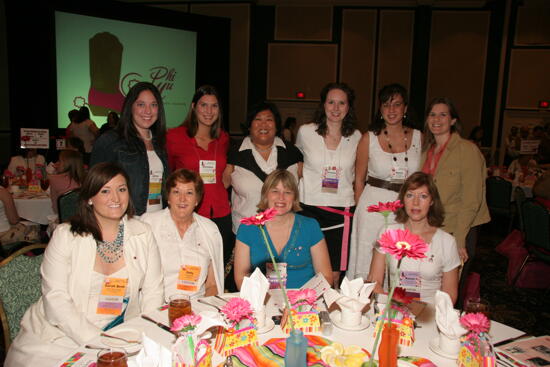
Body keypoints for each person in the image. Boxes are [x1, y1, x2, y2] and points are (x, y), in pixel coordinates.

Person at [5, 162, 164, 367]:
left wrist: (146, 332)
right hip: (61, 334)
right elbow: (56, 299)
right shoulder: (66, 236)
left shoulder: (143, 233)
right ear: (90, 197)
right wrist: (98, 341)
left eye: (121, 189)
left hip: (122, 331)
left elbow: (153, 292)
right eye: (105, 191)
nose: (115, 198)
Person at [347, 83, 421, 281]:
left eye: (397, 105)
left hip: (406, 206)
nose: (391, 110)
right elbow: (359, 180)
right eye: (386, 105)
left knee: (400, 257)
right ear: (380, 109)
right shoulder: (368, 138)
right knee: (368, 255)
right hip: (373, 206)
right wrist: (361, 211)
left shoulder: (419, 137)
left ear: (405, 108)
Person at [420, 97, 490, 305]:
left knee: (449, 294)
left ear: (452, 121)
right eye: (432, 114)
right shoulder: (426, 151)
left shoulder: (467, 151)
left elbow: (471, 200)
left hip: (456, 230)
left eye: (443, 114)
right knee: (428, 286)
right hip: (431, 228)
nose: (437, 119)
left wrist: (460, 239)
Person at [295, 82, 362, 287]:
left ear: (348, 107)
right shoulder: (306, 132)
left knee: (332, 275)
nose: (335, 108)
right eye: (331, 102)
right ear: (323, 105)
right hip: (308, 208)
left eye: (341, 103)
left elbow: (359, 175)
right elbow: (297, 167)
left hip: (341, 211)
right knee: (307, 270)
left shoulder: (357, 137)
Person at [368, 172, 461, 304]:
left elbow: (450, 295)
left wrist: (428, 315)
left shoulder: (447, 242)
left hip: (429, 313)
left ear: (432, 201)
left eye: (423, 196)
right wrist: (389, 310)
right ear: (403, 200)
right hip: (394, 310)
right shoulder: (388, 232)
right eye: (410, 195)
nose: (415, 202)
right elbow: (374, 281)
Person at [166, 86, 232, 267]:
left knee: (217, 268)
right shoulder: (174, 136)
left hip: (221, 214)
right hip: (189, 213)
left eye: (214, 106)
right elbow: (169, 175)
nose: (209, 111)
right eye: (203, 105)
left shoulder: (223, 138)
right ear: (194, 106)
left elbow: (224, 175)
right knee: (189, 267)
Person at [233, 169, 333, 289]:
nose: (281, 197)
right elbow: (241, 277)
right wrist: (264, 301)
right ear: (265, 195)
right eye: (275, 191)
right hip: (263, 301)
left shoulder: (310, 226)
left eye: (287, 192)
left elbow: (326, 276)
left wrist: (304, 299)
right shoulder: (247, 228)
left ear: (294, 197)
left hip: (304, 302)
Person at [141, 169, 224, 300]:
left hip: (196, 307)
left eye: (189, 193)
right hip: (157, 306)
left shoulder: (209, 230)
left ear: (197, 199)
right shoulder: (149, 224)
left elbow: (212, 285)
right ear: (168, 197)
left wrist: (202, 310)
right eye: (176, 192)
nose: (182, 199)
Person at [91, 82, 169, 215]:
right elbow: (94, 186)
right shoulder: (111, 141)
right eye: (141, 104)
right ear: (130, 107)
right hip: (127, 221)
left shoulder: (160, 143)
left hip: (157, 220)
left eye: (153, 105)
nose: (148, 111)